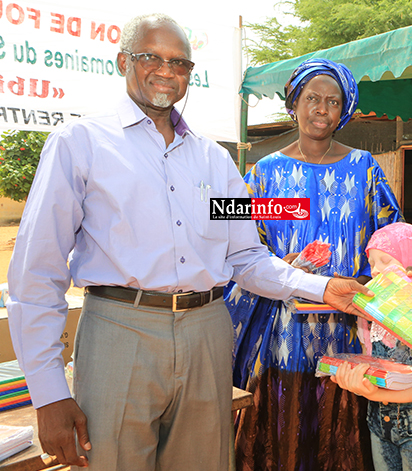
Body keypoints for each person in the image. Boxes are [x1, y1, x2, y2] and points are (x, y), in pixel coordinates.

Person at [5, 14, 371, 471]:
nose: (165, 70)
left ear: (189, 74)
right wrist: (49, 393)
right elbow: (37, 271)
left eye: (179, 62)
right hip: (120, 332)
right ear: (123, 62)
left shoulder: (214, 162)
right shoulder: (81, 145)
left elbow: (246, 258)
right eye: (150, 58)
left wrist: (322, 287)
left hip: (206, 335)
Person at [225, 58, 402, 471]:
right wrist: (276, 261)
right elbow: (241, 244)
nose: (321, 109)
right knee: (285, 425)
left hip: (347, 321)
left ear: (345, 110)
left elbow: (389, 235)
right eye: (312, 99)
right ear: (294, 103)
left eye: (333, 101)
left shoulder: (364, 168)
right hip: (283, 326)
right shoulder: (265, 172)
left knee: (341, 422)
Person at [332, 222, 412, 471]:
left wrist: (373, 394)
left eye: (385, 262)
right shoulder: (370, 313)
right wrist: (353, 378)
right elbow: (373, 366)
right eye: (373, 263)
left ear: (410, 264)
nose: (376, 271)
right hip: (377, 421)